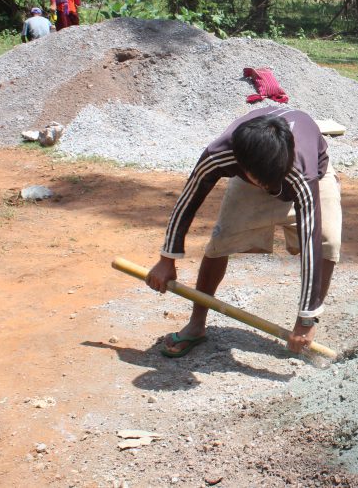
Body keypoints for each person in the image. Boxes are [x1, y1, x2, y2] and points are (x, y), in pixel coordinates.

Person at [145, 105, 343, 356]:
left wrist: (307, 317)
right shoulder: (220, 154)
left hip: (309, 175)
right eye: (265, 182)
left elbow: (310, 236)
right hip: (252, 178)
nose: (270, 188)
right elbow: (189, 199)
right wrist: (166, 259)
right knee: (220, 242)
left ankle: (302, 330)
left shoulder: (302, 172)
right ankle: (196, 325)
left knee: (328, 241)